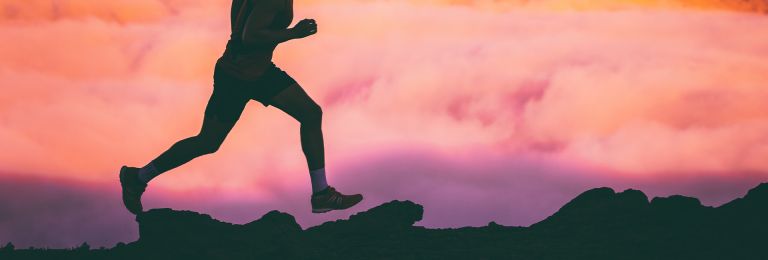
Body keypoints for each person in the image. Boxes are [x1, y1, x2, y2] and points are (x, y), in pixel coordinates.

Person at [119, 0, 363, 215]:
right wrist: (293, 33)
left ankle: (321, 194)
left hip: (256, 71)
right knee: (207, 142)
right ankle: (137, 177)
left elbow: (240, 27)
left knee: (310, 114)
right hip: (237, 78)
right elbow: (251, 35)